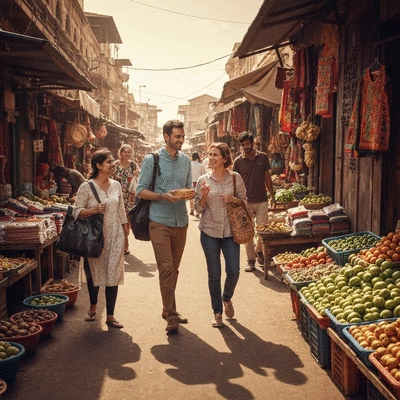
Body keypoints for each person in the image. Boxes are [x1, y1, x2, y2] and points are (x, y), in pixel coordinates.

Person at [136, 120, 192, 333]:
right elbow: (141, 190)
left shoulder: (186, 160)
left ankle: (167, 307)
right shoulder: (152, 160)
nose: (181, 140)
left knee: (174, 270)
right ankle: (171, 315)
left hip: (182, 222)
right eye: (177, 136)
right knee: (166, 269)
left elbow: (186, 188)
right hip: (159, 221)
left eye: (183, 136)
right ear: (166, 136)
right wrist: (162, 196)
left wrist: (190, 193)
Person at [73, 148, 127, 329]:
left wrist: (125, 236)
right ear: (98, 166)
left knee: (113, 274)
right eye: (109, 162)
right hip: (93, 239)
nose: (113, 164)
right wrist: (95, 210)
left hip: (115, 237)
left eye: (113, 161)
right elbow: (76, 212)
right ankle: (93, 307)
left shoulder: (116, 186)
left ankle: (110, 315)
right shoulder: (86, 187)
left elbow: (121, 213)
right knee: (94, 275)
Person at [194, 143, 247, 328]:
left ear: (225, 158)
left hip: (231, 232)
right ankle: (217, 312)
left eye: (216, 155)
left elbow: (244, 201)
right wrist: (202, 196)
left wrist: (232, 199)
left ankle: (227, 298)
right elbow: (197, 209)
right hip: (209, 231)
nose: (212, 158)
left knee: (233, 271)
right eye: (210, 154)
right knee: (214, 274)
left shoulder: (235, 178)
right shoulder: (203, 180)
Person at [232, 132, 276, 272]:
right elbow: (234, 182)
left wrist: (272, 196)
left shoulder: (262, 157)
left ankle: (259, 251)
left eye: (248, 144)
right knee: (247, 232)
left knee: (263, 230)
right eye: (243, 145)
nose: (246, 147)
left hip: (262, 200)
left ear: (252, 143)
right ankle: (251, 260)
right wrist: (235, 201)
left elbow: (267, 177)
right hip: (245, 202)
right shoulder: (238, 162)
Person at [113, 144, 140, 255]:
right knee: (118, 221)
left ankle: (125, 243)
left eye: (129, 152)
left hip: (130, 197)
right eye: (125, 152)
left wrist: (136, 175)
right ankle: (124, 243)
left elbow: (140, 176)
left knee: (127, 222)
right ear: (121, 153)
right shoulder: (114, 165)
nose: (127, 154)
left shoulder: (133, 165)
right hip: (116, 196)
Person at [190, 151, 206, 217]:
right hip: (199, 182)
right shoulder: (201, 165)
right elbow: (204, 174)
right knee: (198, 196)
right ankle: (197, 212)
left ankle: (192, 209)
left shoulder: (190, 164)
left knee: (192, 197)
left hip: (191, 182)